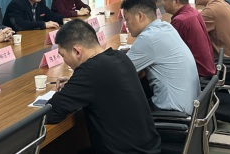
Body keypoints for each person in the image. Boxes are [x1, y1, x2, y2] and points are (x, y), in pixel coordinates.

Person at [46, 20, 160, 154]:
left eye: (63, 55)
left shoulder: (89, 71)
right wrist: (75, 84)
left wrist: (73, 86)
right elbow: (99, 83)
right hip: (147, 148)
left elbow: (51, 114)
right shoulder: (119, 56)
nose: (64, 61)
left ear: (77, 51)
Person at [121, 0, 199, 115]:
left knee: (119, 104)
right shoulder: (166, 27)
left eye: (127, 19)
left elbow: (120, 71)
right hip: (191, 106)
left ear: (140, 16)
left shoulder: (148, 38)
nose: (126, 25)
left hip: (173, 113)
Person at [162, 0, 216, 79]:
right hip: (207, 70)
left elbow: (167, 53)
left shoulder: (180, 21)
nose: (162, 3)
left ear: (175, 2)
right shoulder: (193, 12)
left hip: (197, 75)